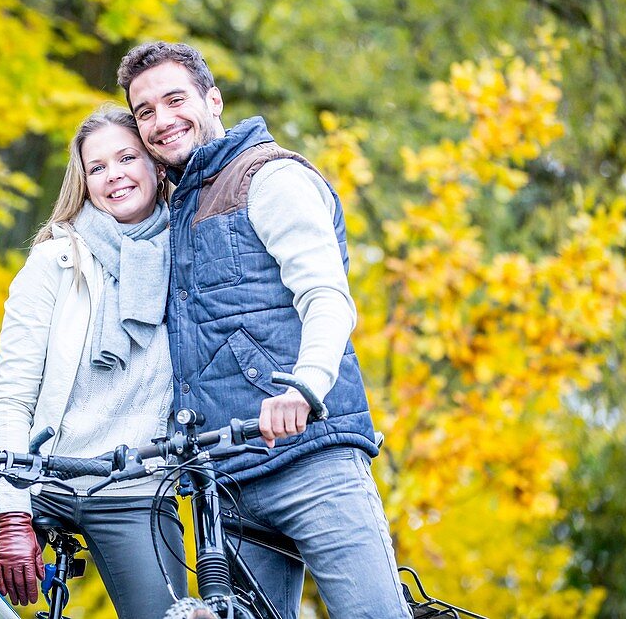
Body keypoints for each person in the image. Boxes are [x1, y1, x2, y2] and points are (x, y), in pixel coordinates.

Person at [117, 42, 412, 619]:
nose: (161, 119)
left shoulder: (269, 178)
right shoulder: (173, 209)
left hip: (310, 461)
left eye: (175, 100)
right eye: (144, 110)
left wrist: (305, 386)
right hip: (222, 483)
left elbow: (327, 295)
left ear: (213, 99)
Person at [0, 106, 186, 618]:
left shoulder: (190, 257)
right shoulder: (54, 261)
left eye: (127, 157)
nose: (114, 174)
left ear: (156, 164)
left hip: (136, 488)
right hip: (41, 480)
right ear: (85, 182)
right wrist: (11, 514)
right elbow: (12, 397)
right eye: (97, 167)